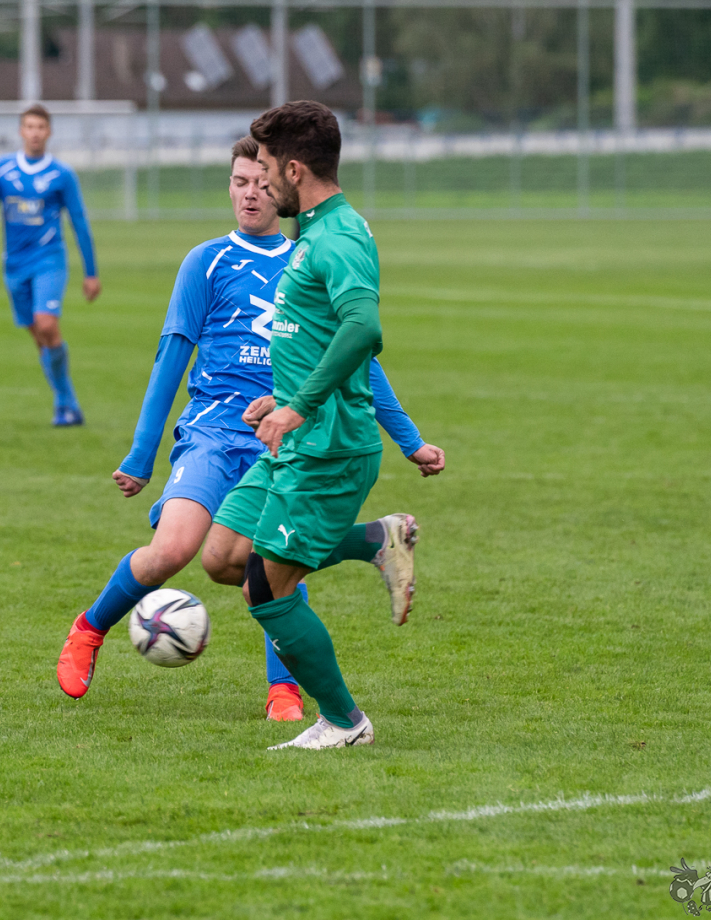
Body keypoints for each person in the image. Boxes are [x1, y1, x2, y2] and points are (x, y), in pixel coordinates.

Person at [54, 137, 444, 715]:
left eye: (262, 182)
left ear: (284, 184)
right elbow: (171, 357)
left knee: (268, 559)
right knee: (173, 551)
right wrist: (141, 453)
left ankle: (284, 688)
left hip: (280, 436)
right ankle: (89, 629)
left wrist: (409, 440)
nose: (251, 194)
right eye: (240, 182)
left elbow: (358, 355)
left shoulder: (307, 257)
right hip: (212, 433)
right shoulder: (206, 261)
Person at [223, 100, 400, 750]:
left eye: (268, 168)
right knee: (224, 556)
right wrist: (280, 400)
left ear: (295, 170)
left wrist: (298, 405)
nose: (263, 182)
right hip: (293, 438)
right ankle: (376, 540)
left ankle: (344, 722)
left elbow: (363, 327)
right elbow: (318, 333)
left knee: (264, 590)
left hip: (326, 446)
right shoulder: (315, 232)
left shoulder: (339, 237)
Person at [0, 104, 99, 426]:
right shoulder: (1, 170)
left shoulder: (62, 175)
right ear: (21, 131)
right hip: (14, 264)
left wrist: (91, 272)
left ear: (49, 132)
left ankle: (65, 403)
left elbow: (79, 223)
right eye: (29, 127)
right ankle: (67, 404)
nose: (35, 133)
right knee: (39, 336)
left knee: (47, 324)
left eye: (40, 127)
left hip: (49, 259)